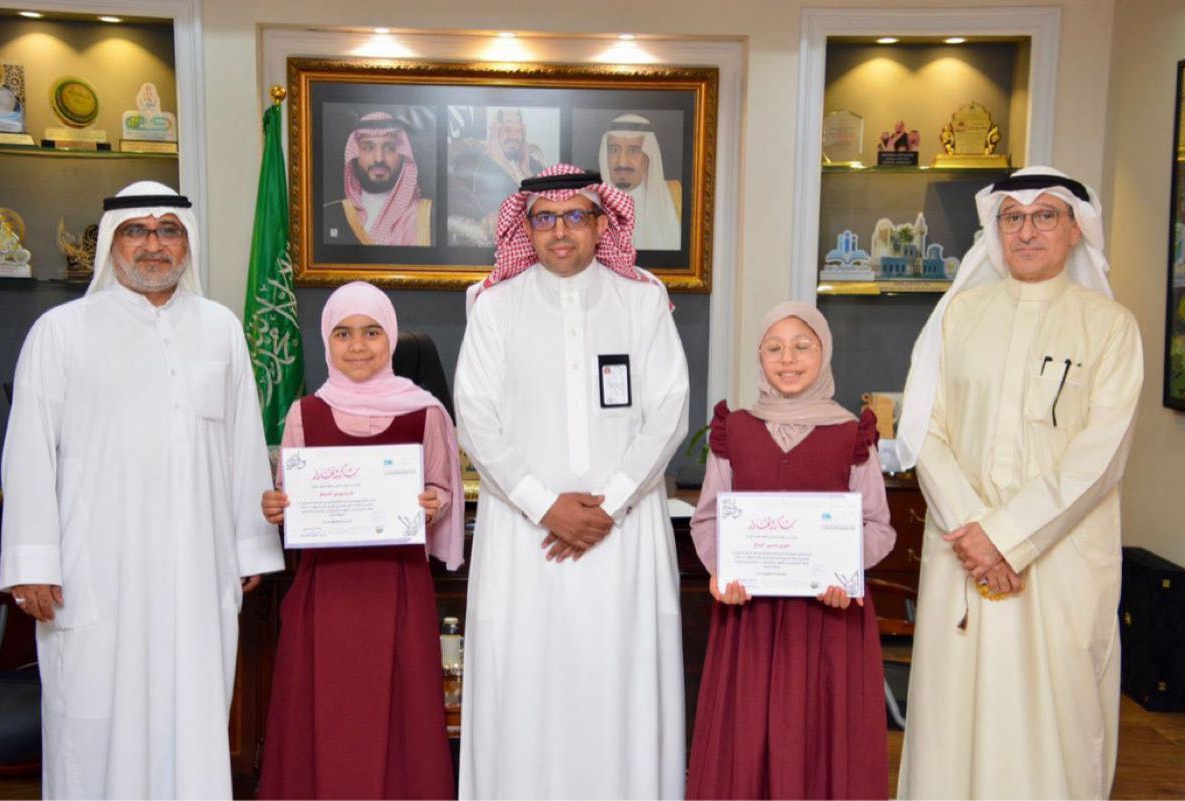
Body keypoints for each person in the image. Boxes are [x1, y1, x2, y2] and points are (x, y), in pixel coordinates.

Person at [0, 180, 284, 799]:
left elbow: (243, 441)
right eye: (137, 231)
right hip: (94, 572)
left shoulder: (219, 328)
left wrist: (251, 545)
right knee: (95, 727)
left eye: (168, 231)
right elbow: (28, 452)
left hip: (198, 569)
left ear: (187, 242)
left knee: (193, 718)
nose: (153, 245)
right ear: (112, 243)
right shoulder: (61, 331)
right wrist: (32, 564)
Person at [894, 167, 1144, 799]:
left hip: (1058, 564)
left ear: (1075, 230)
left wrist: (1008, 537)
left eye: (1045, 216)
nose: (1027, 232)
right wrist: (977, 533)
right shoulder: (958, 318)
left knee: (1053, 720)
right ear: (996, 229)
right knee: (954, 718)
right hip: (962, 551)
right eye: (1013, 218)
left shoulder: (1110, 327)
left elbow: (1100, 456)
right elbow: (925, 431)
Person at [454, 164, 690, 799]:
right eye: (545, 219)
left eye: (576, 216)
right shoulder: (494, 307)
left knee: (618, 685)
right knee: (525, 689)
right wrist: (544, 506)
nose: (561, 232)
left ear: (602, 223)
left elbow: (670, 410)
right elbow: (474, 419)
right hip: (525, 539)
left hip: (624, 536)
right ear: (526, 227)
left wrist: (611, 503)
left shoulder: (642, 301)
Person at [256, 281, 463, 800]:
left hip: (397, 589)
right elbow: (290, 497)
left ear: (391, 336)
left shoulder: (427, 413)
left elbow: (443, 489)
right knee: (327, 713)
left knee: (398, 718)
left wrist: (433, 503)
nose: (358, 345)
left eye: (372, 332)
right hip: (325, 593)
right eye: (343, 333)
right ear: (327, 340)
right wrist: (277, 506)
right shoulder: (305, 414)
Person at [685, 302, 895, 800]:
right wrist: (721, 570)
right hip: (749, 619)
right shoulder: (734, 431)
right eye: (774, 348)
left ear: (824, 353)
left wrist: (844, 571)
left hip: (828, 621)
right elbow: (709, 517)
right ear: (759, 357)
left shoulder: (852, 435)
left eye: (803, 347)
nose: (788, 359)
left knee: (821, 740)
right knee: (748, 740)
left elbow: (878, 526)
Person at [323, 111, 432, 246]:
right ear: (355, 154)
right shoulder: (330, 215)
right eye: (368, 148)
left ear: (403, 155)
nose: (379, 158)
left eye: (389, 148)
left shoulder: (426, 217)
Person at [448, 108, 546, 246]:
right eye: (507, 130)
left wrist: (526, 172)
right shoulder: (474, 160)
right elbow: (456, 191)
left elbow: (551, 197)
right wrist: (487, 212)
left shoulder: (531, 164)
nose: (514, 137)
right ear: (494, 131)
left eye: (518, 131)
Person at [598, 113, 682, 250]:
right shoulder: (590, 201)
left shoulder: (675, 196)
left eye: (633, 150)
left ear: (647, 157)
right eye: (614, 150)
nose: (622, 162)